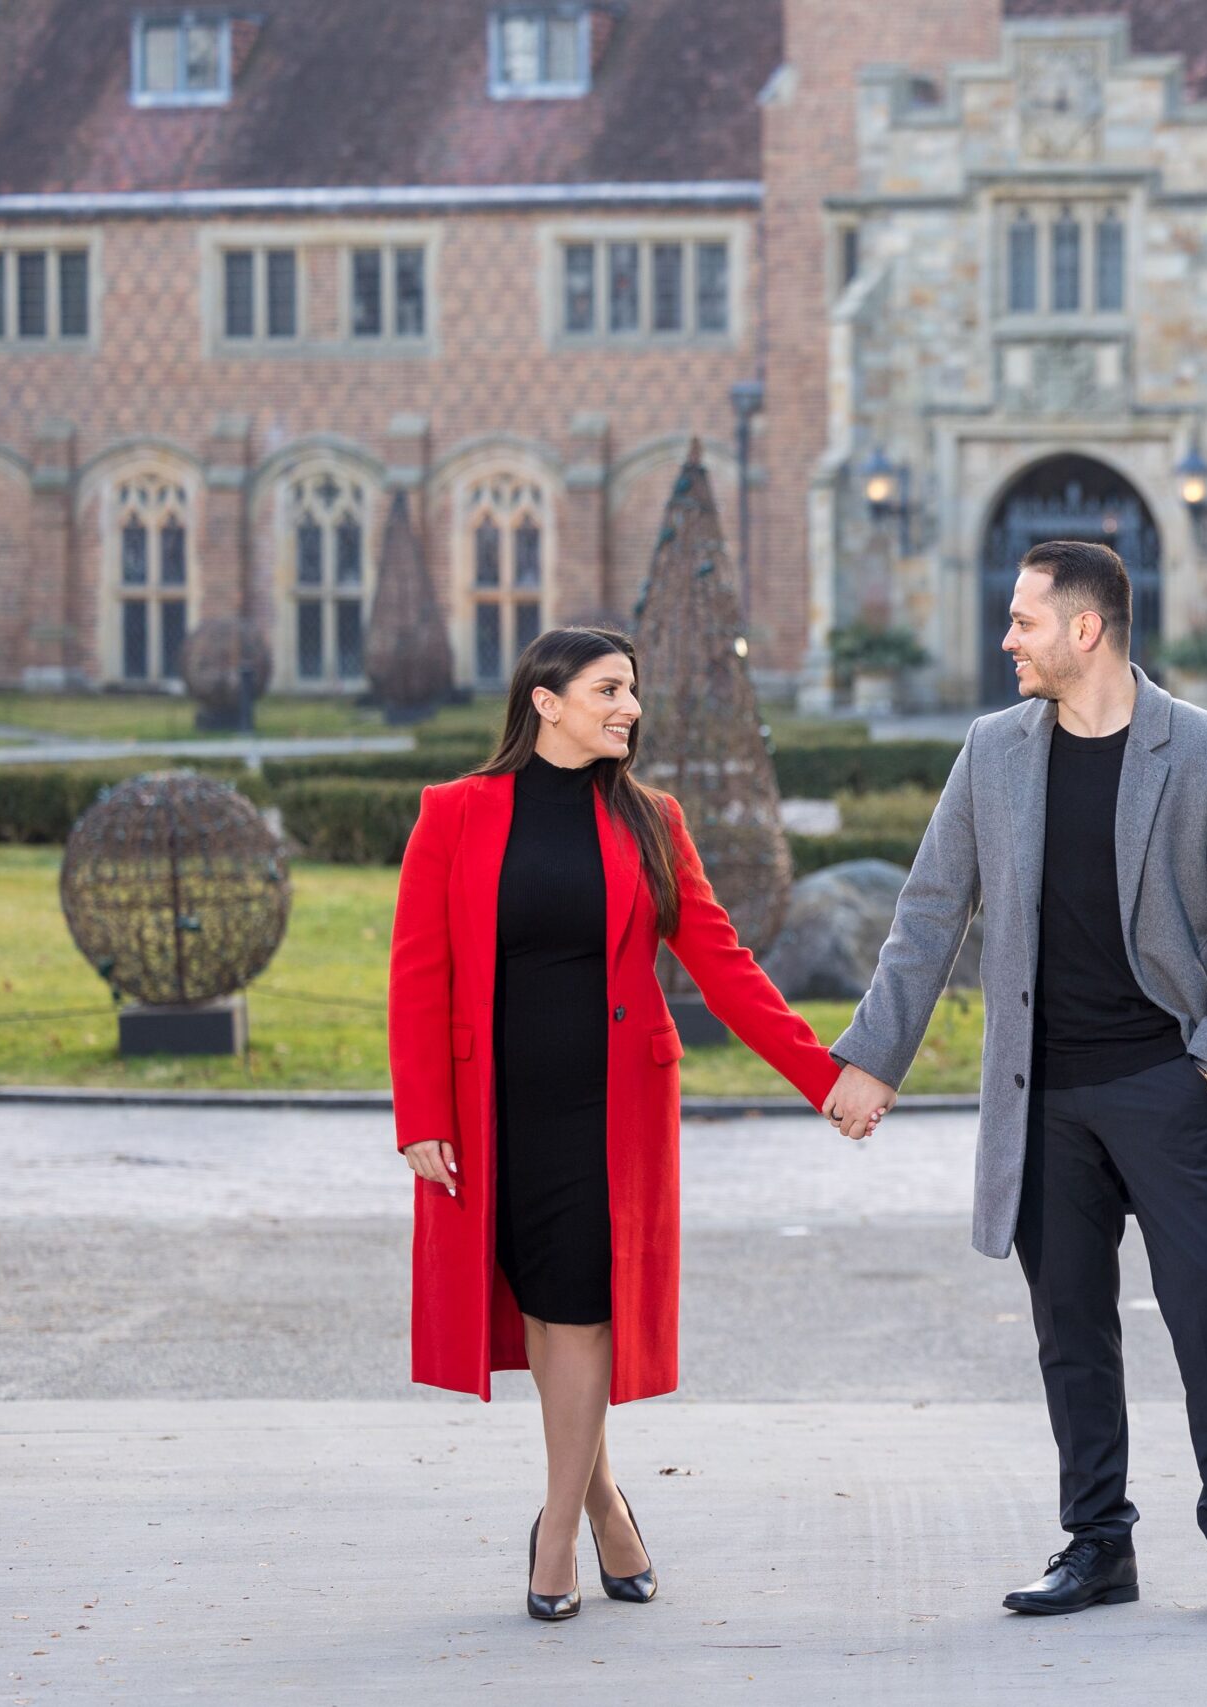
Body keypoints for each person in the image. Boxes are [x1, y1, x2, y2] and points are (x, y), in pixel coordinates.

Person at [822, 540, 1207, 1620]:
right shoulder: (993, 751)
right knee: (1070, 1331)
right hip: (1041, 1100)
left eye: (1023, 621)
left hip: (1169, 1088)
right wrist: (871, 1058)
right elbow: (929, 912)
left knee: (1206, 1319)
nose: (1006, 640)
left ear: (1083, 630)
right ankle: (1099, 1546)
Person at [389, 626, 851, 1621]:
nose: (628, 707)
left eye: (632, 690)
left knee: (581, 1308)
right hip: (493, 1112)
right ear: (544, 701)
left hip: (610, 1118)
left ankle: (553, 1535)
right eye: (608, 689)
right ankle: (605, 1505)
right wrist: (422, 1112)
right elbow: (418, 973)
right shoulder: (455, 815)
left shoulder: (651, 820)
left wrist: (825, 1078)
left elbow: (724, 966)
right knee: (547, 1309)